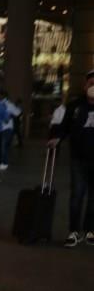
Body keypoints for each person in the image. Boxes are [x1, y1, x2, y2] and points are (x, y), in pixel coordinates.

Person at [48, 69, 94, 248]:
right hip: (78, 157)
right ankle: (73, 231)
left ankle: (90, 230)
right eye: (91, 83)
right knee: (77, 194)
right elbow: (64, 127)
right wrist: (56, 138)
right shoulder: (75, 106)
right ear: (85, 86)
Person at [0, 92, 22, 170]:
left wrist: (11, 115)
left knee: (3, 145)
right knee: (2, 146)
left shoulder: (9, 104)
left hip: (7, 128)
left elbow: (18, 112)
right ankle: (1, 161)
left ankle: (4, 163)